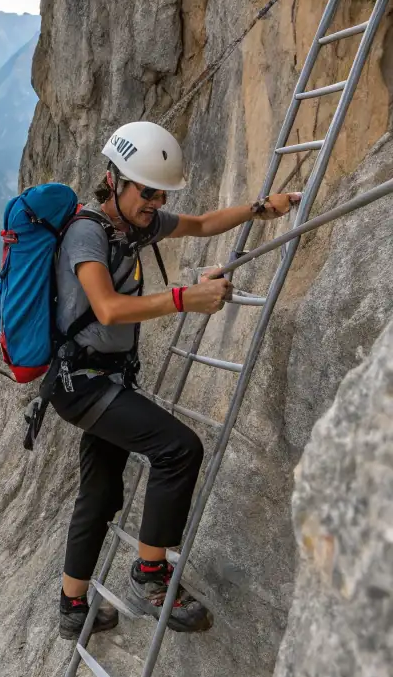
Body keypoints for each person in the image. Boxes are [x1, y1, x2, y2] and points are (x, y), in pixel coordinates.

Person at [50, 121, 300, 639]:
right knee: (179, 449)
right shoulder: (87, 233)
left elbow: (204, 223)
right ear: (114, 180)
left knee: (99, 493)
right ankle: (150, 576)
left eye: (159, 192)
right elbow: (109, 307)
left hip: (99, 379)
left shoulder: (135, 225)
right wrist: (187, 298)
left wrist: (260, 208)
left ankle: (72, 609)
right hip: (83, 383)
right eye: (146, 189)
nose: (154, 200)